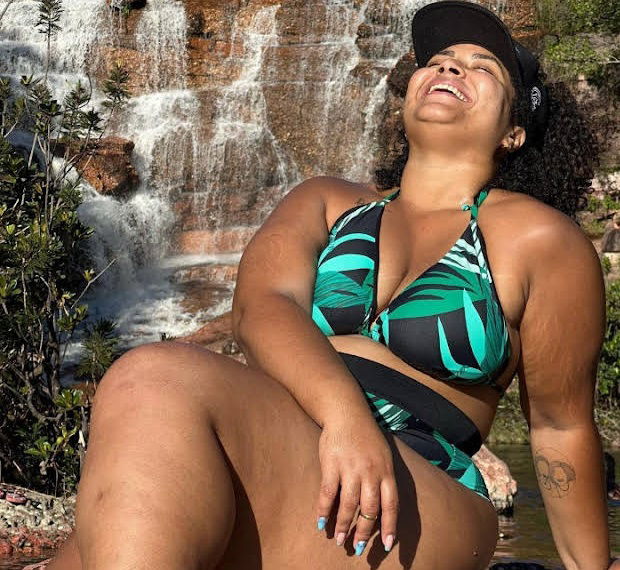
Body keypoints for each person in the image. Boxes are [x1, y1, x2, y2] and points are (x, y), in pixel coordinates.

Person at [44, 1, 618, 569]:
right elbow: (261, 307)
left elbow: (560, 426)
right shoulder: (325, 200)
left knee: (151, 374)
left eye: (481, 66)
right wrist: (346, 419)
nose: (450, 67)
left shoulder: (542, 239)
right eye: (438, 60)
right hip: (282, 436)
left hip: (421, 483)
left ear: (514, 132)